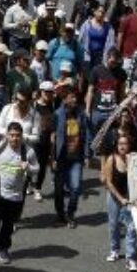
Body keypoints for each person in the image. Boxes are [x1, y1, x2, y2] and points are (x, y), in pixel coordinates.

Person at [0, 122, 37, 264]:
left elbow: (37, 168)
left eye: (17, 136)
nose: (14, 138)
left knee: (8, 225)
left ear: (21, 136)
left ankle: (2, 249)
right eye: (12, 135)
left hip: (16, 196)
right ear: (7, 135)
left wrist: (28, 168)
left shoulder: (28, 152)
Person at [51, 86, 90, 227]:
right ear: (65, 99)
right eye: (71, 97)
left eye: (75, 97)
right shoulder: (57, 114)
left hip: (76, 158)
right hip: (60, 158)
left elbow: (86, 136)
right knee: (58, 189)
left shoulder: (81, 114)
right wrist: (53, 159)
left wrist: (86, 155)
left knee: (75, 187)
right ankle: (60, 215)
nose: (74, 99)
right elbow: (53, 139)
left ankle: (70, 214)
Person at [104, 134, 137, 272]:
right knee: (114, 225)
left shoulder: (133, 160)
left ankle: (130, 258)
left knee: (132, 227)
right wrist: (120, 198)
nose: (122, 146)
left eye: (125, 143)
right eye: (120, 144)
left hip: (129, 198)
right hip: (114, 197)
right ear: (116, 146)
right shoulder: (111, 159)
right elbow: (108, 183)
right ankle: (114, 249)